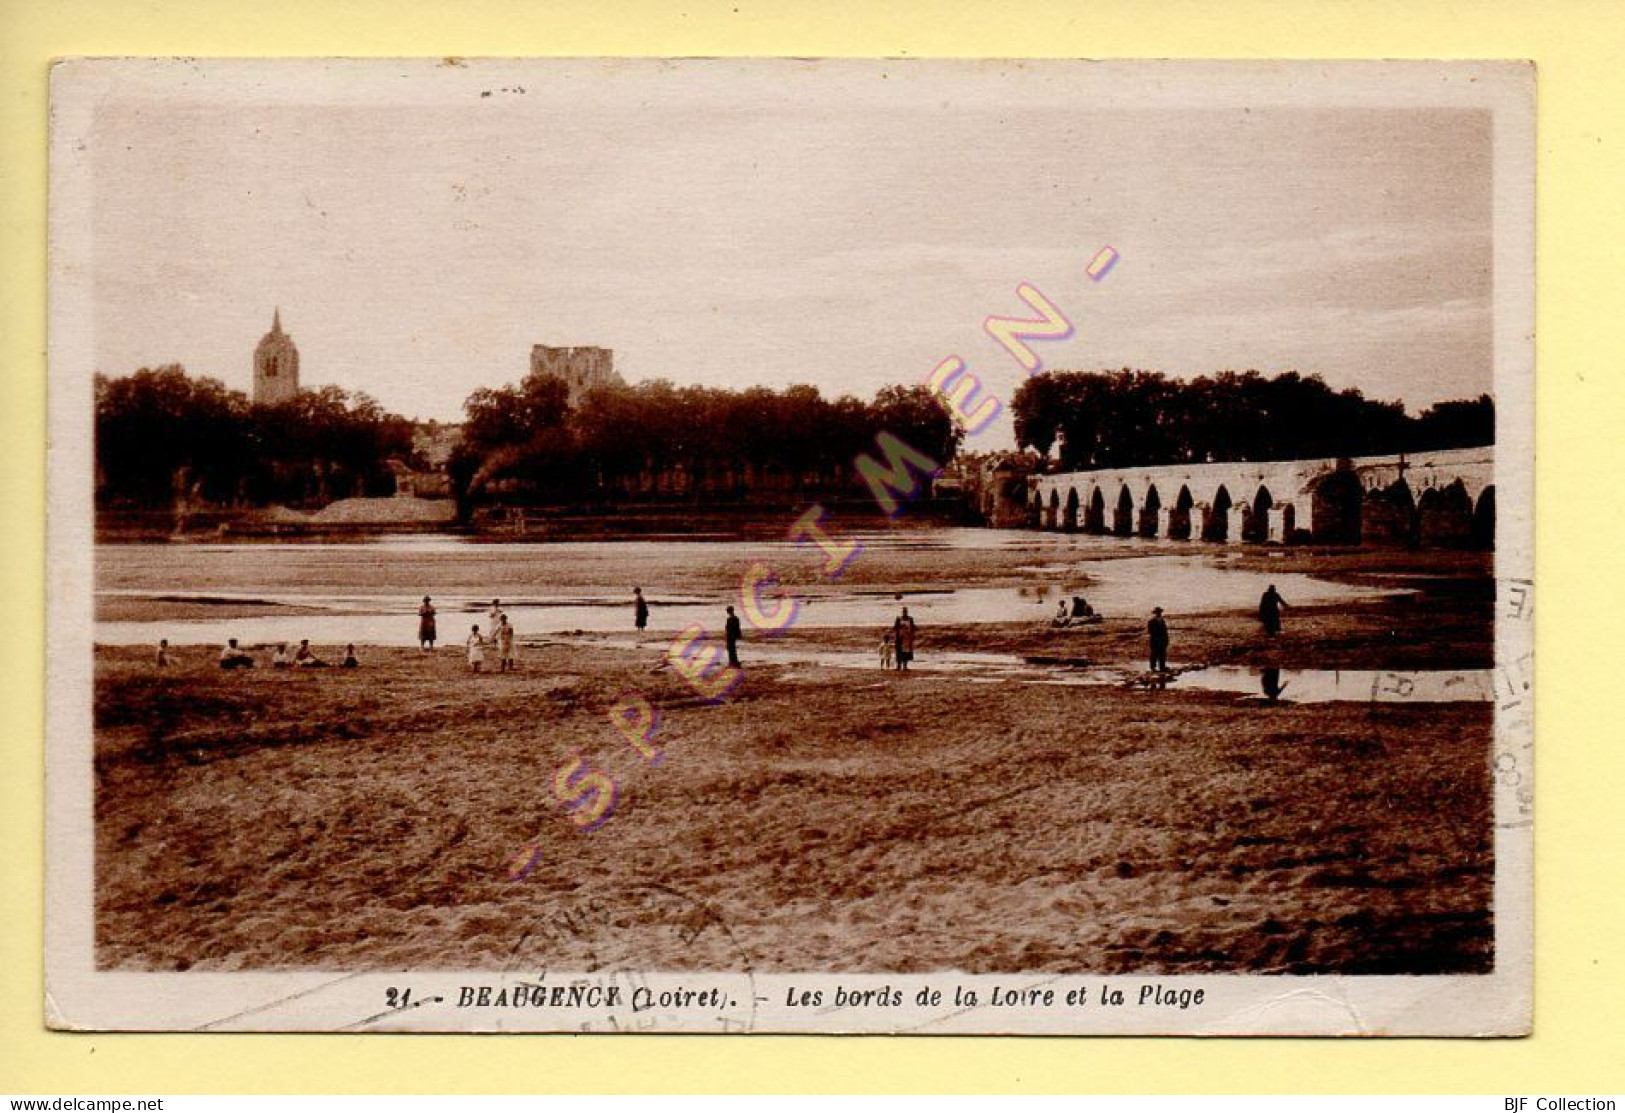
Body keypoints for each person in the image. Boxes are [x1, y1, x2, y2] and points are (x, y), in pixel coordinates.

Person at [893, 607, 917, 671]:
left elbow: (913, 628)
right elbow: (895, 628)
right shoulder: (898, 619)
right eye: (903, 611)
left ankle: (905, 666)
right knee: (899, 652)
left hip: (907, 638)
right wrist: (895, 637)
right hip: (900, 638)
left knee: (906, 652)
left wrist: (913, 635)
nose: (904, 613)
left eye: (905, 611)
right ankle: (898, 666)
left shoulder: (910, 619)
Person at [1147, 607, 1169, 673]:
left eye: (1159, 612)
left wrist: (1166, 639)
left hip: (1162, 640)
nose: (1159, 613)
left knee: (1162, 654)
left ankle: (1162, 667)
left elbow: (1165, 631)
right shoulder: (1151, 621)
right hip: (1155, 640)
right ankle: (1153, 667)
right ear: (1155, 613)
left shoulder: (1162, 620)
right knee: (1154, 654)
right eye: (1158, 612)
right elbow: (1150, 631)